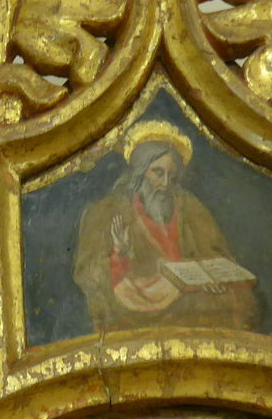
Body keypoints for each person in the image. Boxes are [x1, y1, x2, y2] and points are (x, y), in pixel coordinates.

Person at [73, 120, 257, 331]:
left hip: (190, 295)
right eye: (158, 173)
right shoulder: (107, 211)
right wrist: (119, 254)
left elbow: (215, 254)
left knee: (236, 301)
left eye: (172, 176)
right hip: (138, 295)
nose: (165, 184)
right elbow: (91, 273)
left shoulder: (190, 207)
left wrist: (209, 277)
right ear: (140, 172)